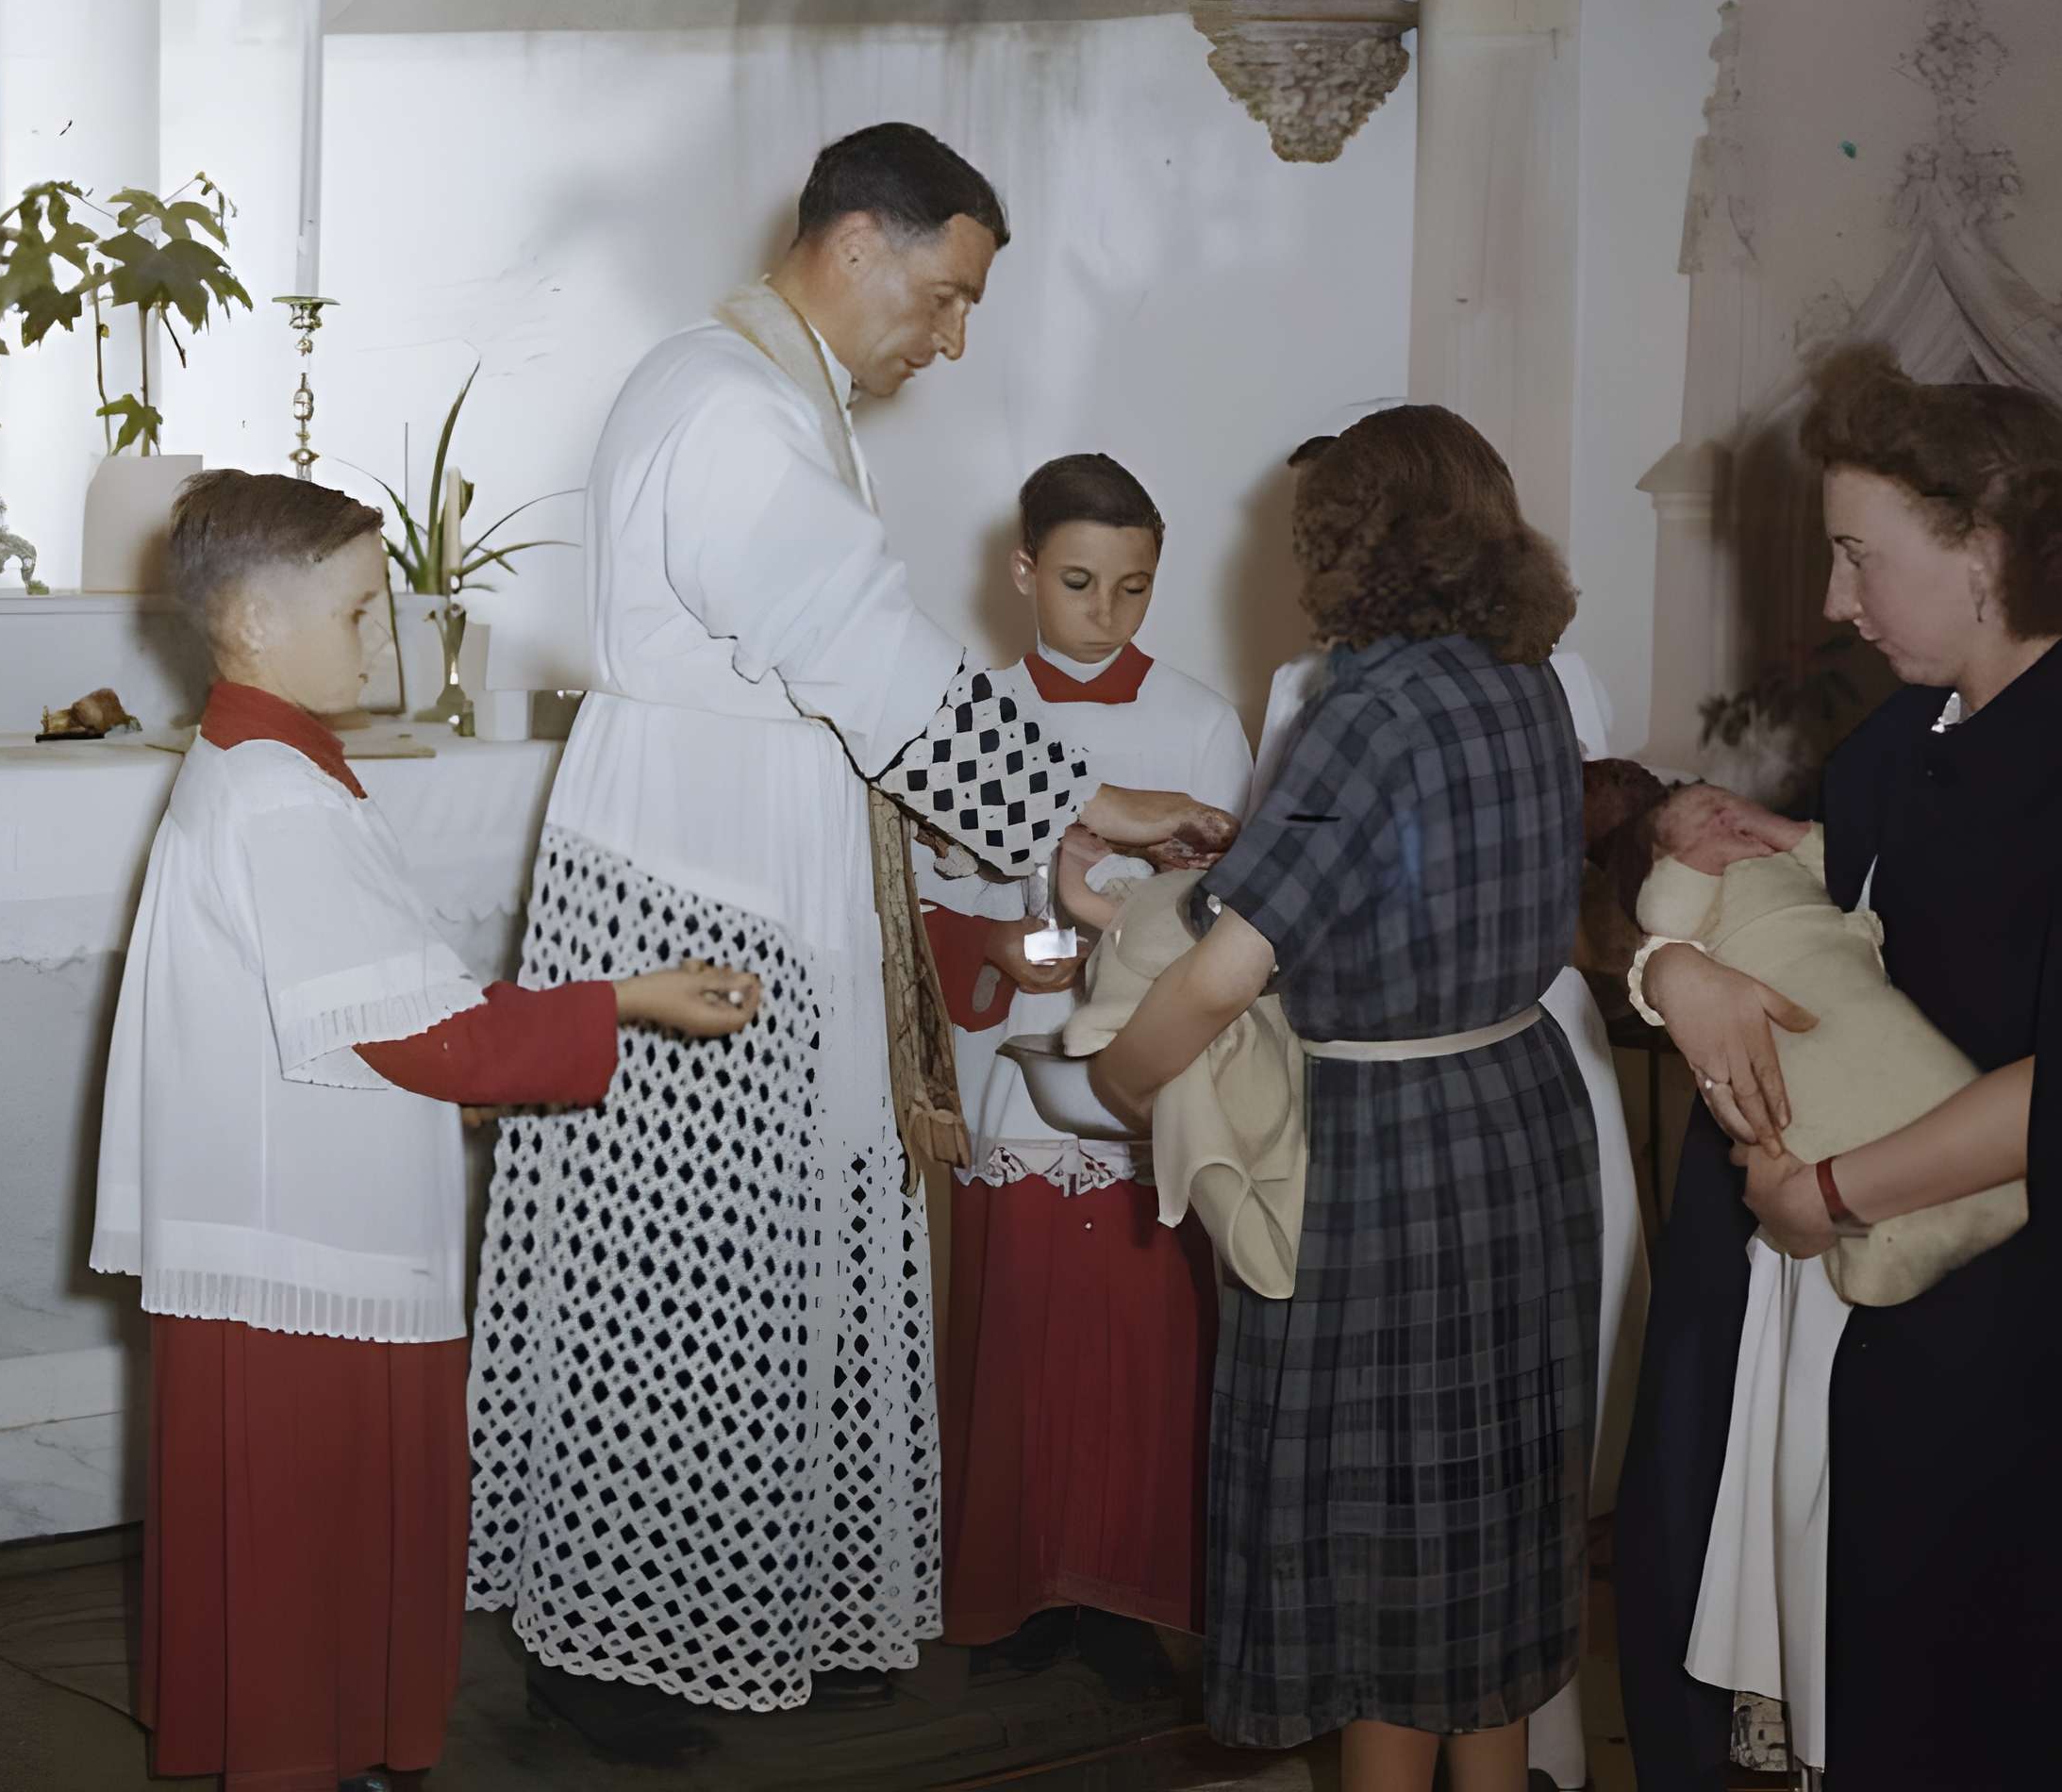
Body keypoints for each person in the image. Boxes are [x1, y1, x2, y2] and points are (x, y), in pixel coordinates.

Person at [463, 124, 1239, 1763]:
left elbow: (875, 682)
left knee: (759, 1274)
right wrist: (1074, 827)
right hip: (697, 882)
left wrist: (1077, 818)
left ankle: (741, 1611)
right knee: (675, 1285)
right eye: (946, 296)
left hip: (747, 860)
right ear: (860, 244)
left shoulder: (768, 390)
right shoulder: (735, 408)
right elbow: (877, 663)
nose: (950, 339)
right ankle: (611, 1653)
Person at [1615, 343, 2062, 1790]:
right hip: (1893, 1318)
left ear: (1988, 553)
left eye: (1860, 558)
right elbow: (1859, 940)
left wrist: (1826, 1191)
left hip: (2048, 1354)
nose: (1835, 602)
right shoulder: (1898, 745)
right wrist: (1685, 964)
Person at [87, 473, 767, 1791]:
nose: (381, 633)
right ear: (254, 627)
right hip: (302, 1266)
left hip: (298, 1243)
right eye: (357, 608)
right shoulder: (276, 795)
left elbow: (395, 1002)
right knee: (309, 1548)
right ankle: (308, 1762)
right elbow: (426, 1038)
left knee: (305, 1553)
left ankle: (316, 1753)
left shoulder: (266, 763)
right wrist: (626, 1001)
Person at [1087, 405, 1601, 1792]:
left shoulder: (1357, 709)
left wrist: (1125, 1078)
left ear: (1350, 538)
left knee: (1384, 1546)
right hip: (1520, 1111)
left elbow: (1222, 973)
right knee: (1486, 1534)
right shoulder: (1526, 676)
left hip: (1389, 1149)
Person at [910, 453, 1252, 1696]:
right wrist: (995, 944)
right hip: (1018, 1078)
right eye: (1076, 582)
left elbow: (1230, 912)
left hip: (1152, 1079)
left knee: (1149, 1342)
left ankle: (1126, 1593)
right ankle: (1015, 1590)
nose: (1104, 614)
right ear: (1021, 573)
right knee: (1022, 1338)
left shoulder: (1204, 722)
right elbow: (914, 905)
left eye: (1134, 588)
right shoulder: (963, 717)